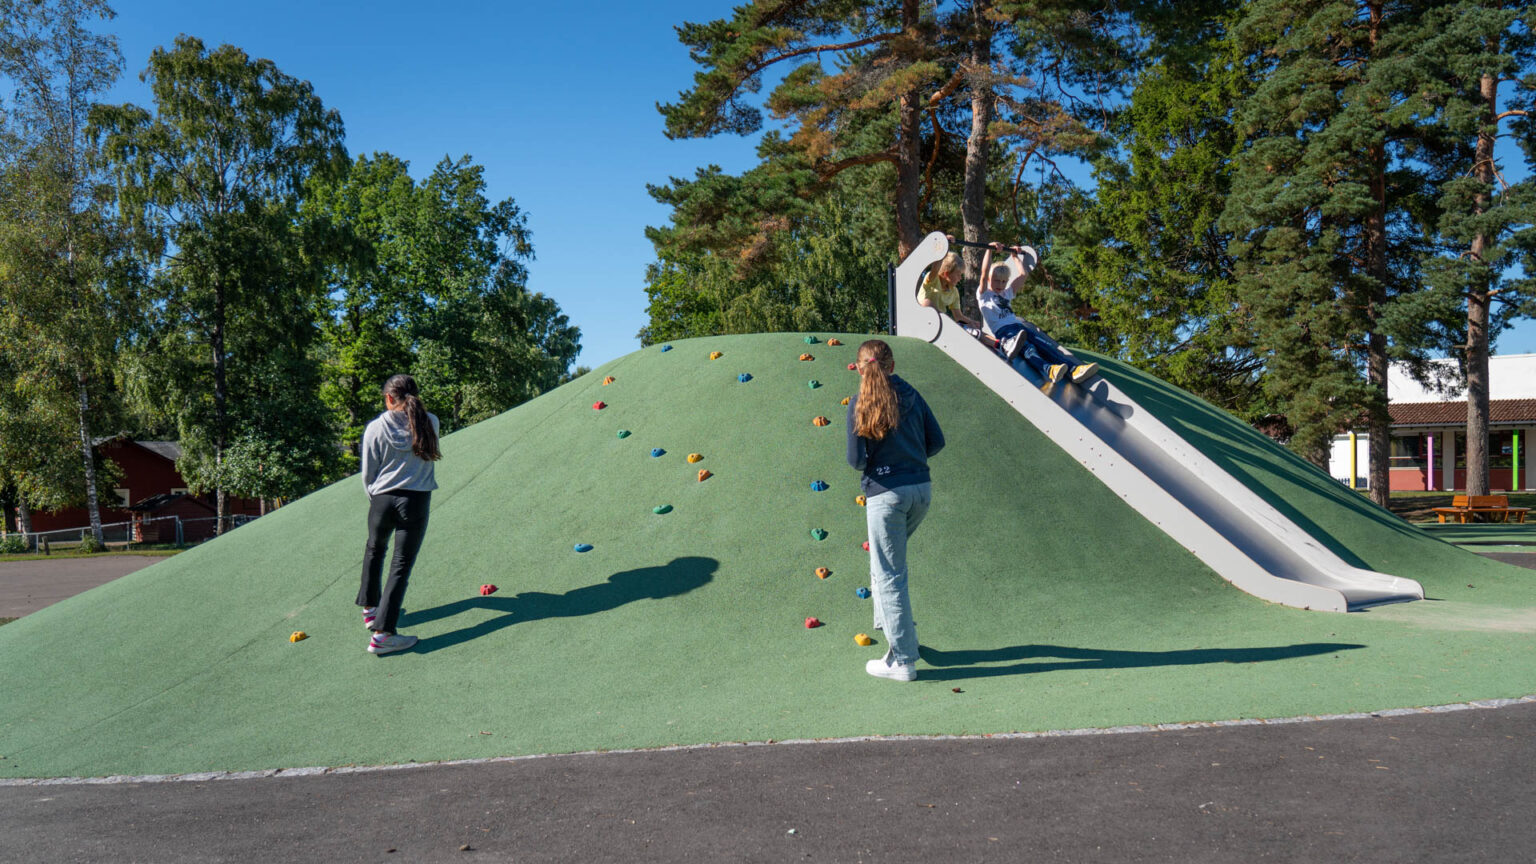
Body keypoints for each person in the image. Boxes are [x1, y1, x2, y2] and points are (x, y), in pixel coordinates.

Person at [846, 339, 944, 682]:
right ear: (892, 365)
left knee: (889, 573)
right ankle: (897, 634)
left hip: (885, 495)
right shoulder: (911, 393)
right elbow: (937, 441)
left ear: (860, 368)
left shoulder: (861, 401)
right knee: (885, 565)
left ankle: (902, 660)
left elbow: (857, 460)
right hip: (921, 490)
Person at [357, 374, 441, 655]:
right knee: (400, 566)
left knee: (374, 549)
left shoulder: (374, 428)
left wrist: (376, 499)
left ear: (389, 398)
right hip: (415, 501)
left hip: (381, 499)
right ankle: (383, 635)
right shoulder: (431, 422)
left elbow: (368, 473)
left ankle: (371, 611)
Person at [974, 243, 1097, 394]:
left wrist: (1015, 257)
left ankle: (1073, 369)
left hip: (1018, 326)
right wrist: (989, 250)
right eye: (996, 280)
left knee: (1045, 345)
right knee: (1027, 348)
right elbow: (984, 272)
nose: (1000, 284)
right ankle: (1048, 369)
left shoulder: (1006, 294)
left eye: (1003, 281)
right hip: (1004, 331)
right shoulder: (984, 295)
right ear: (989, 281)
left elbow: (1023, 275)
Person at [917, 251, 976, 328]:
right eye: (958, 274)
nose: (960, 278)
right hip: (922, 317)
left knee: (973, 328)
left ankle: (993, 340)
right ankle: (947, 323)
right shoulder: (933, 280)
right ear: (946, 274)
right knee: (926, 302)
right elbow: (935, 268)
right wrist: (943, 246)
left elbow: (958, 317)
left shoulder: (954, 291)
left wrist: (972, 323)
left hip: (939, 324)